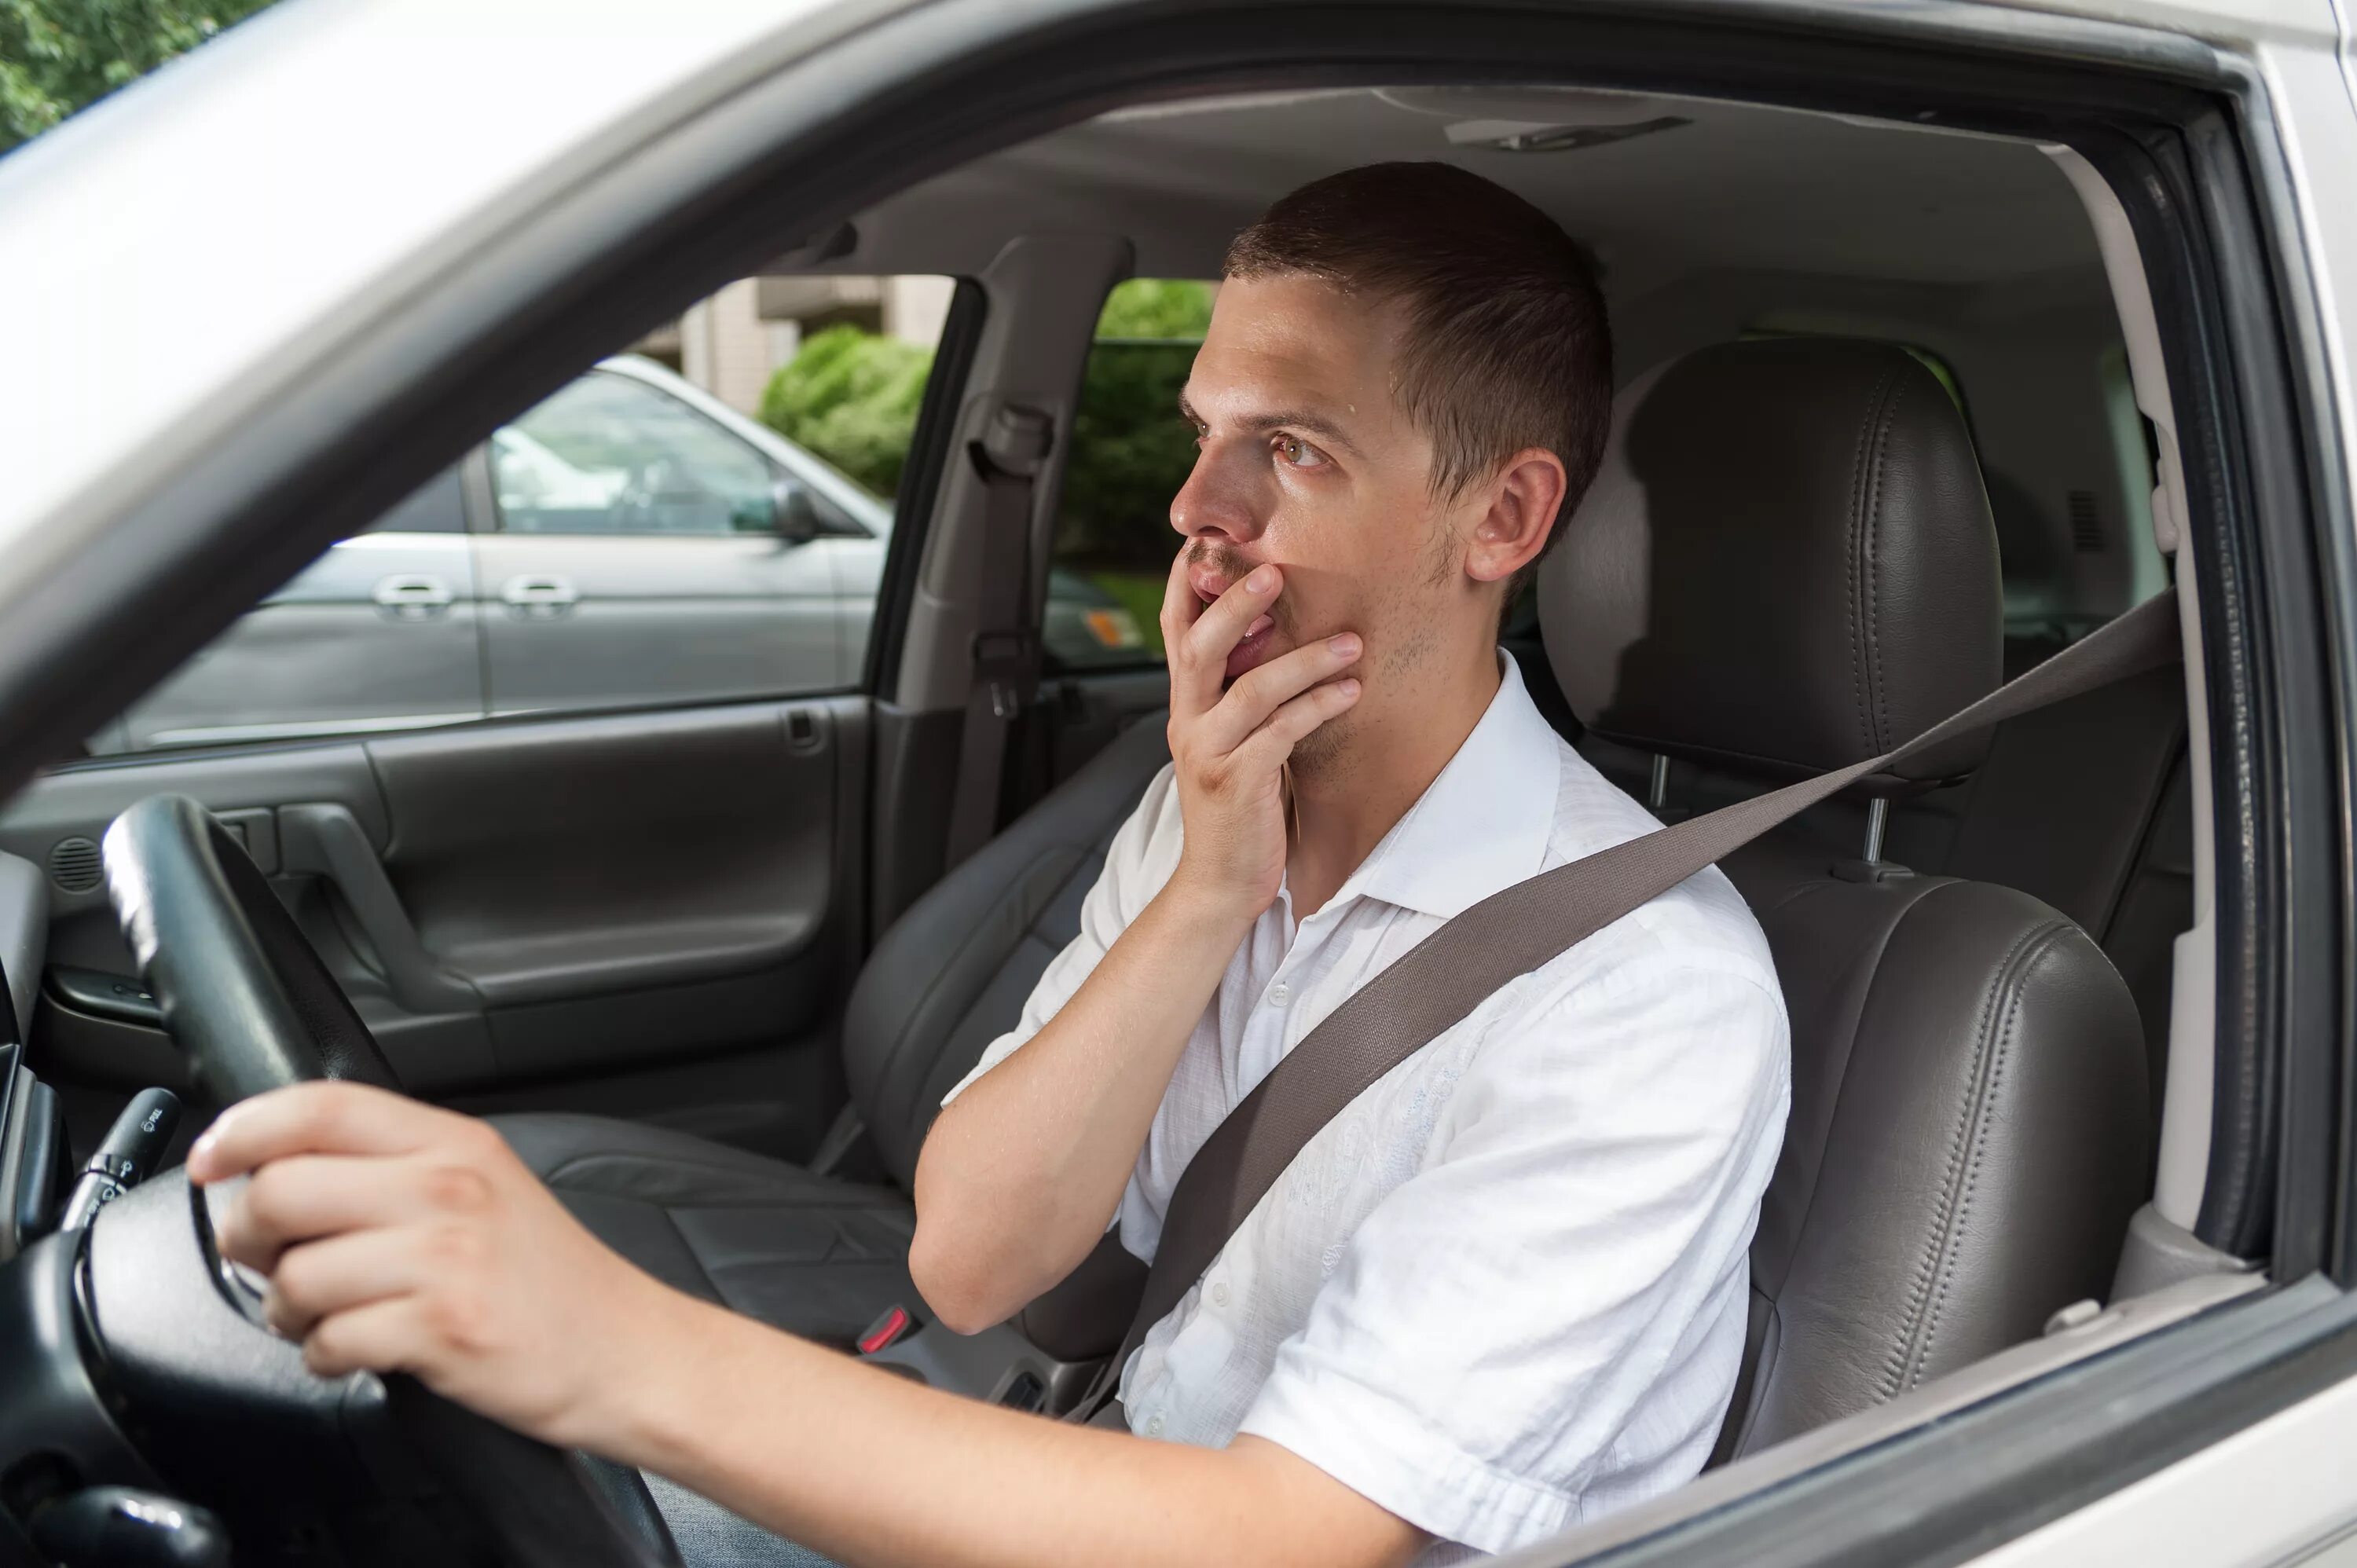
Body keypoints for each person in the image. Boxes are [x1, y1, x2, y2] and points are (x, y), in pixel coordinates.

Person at [188, 162, 1791, 1567]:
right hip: (1092, 1467)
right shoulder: (1217, 805)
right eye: (1204, 435)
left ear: (1500, 516)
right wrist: (1209, 886)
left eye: (1289, 450)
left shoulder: (1648, 991)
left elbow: (1286, 1540)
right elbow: (971, 1261)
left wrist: (610, 1346)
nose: (1193, 509)